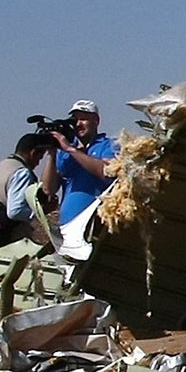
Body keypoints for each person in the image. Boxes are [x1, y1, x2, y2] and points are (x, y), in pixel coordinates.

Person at [50, 100, 120, 257]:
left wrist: (72, 150)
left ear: (96, 120)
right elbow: (49, 189)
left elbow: (107, 172)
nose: (78, 124)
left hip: (95, 228)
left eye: (83, 119)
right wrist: (52, 154)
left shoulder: (109, 145)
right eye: (75, 120)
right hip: (67, 227)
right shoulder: (65, 151)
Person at [0, 131, 54, 245]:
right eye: (39, 158)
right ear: (33, 152)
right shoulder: (22, 173)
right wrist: (40, 211)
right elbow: (15, 212)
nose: (37, 163)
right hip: (9, 241)